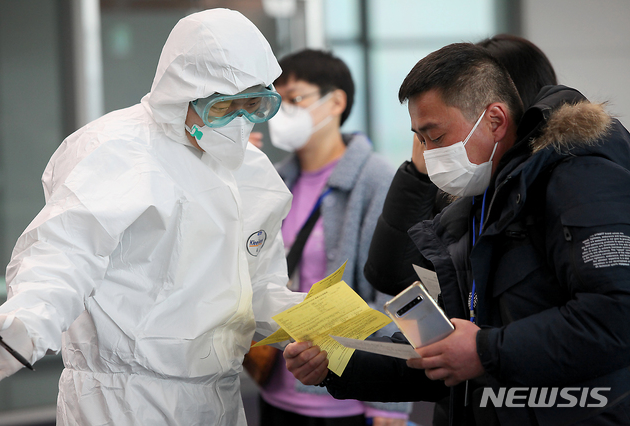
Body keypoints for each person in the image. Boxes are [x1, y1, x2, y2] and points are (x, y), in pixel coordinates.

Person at [284, 42, 630, 425]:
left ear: (495, 119)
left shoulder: (582, 177)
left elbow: (617, 315)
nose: (429, 154)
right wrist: (337, 363)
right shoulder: (477, 201)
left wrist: (485, 350)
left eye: (436, 136)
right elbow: (445, 353)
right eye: (420, 139)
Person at [0, 9, 306, 426]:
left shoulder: (253, 172)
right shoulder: (118, 150)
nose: (239, 124)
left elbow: (258, 288)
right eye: (223, 108)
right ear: (184, 93)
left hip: (222, 397)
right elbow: (62, 260)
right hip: (123, 400)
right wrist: (12, 336)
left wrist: (321, 327)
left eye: (254, 106)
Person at [257, 49, 410, 426]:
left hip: (346, 395)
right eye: (278, 101)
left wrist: (389, 404)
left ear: (336, 101)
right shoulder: (271, 177)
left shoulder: (375, 180)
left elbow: (393, 292)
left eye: (294, 98)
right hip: (275, 384)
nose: (284, 112)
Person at [364, 34, 558, 297]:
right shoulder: (466, 176)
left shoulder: (558, 179)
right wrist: (417, 174)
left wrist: (481, 341)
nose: (429, 147)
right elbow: (390, 276)